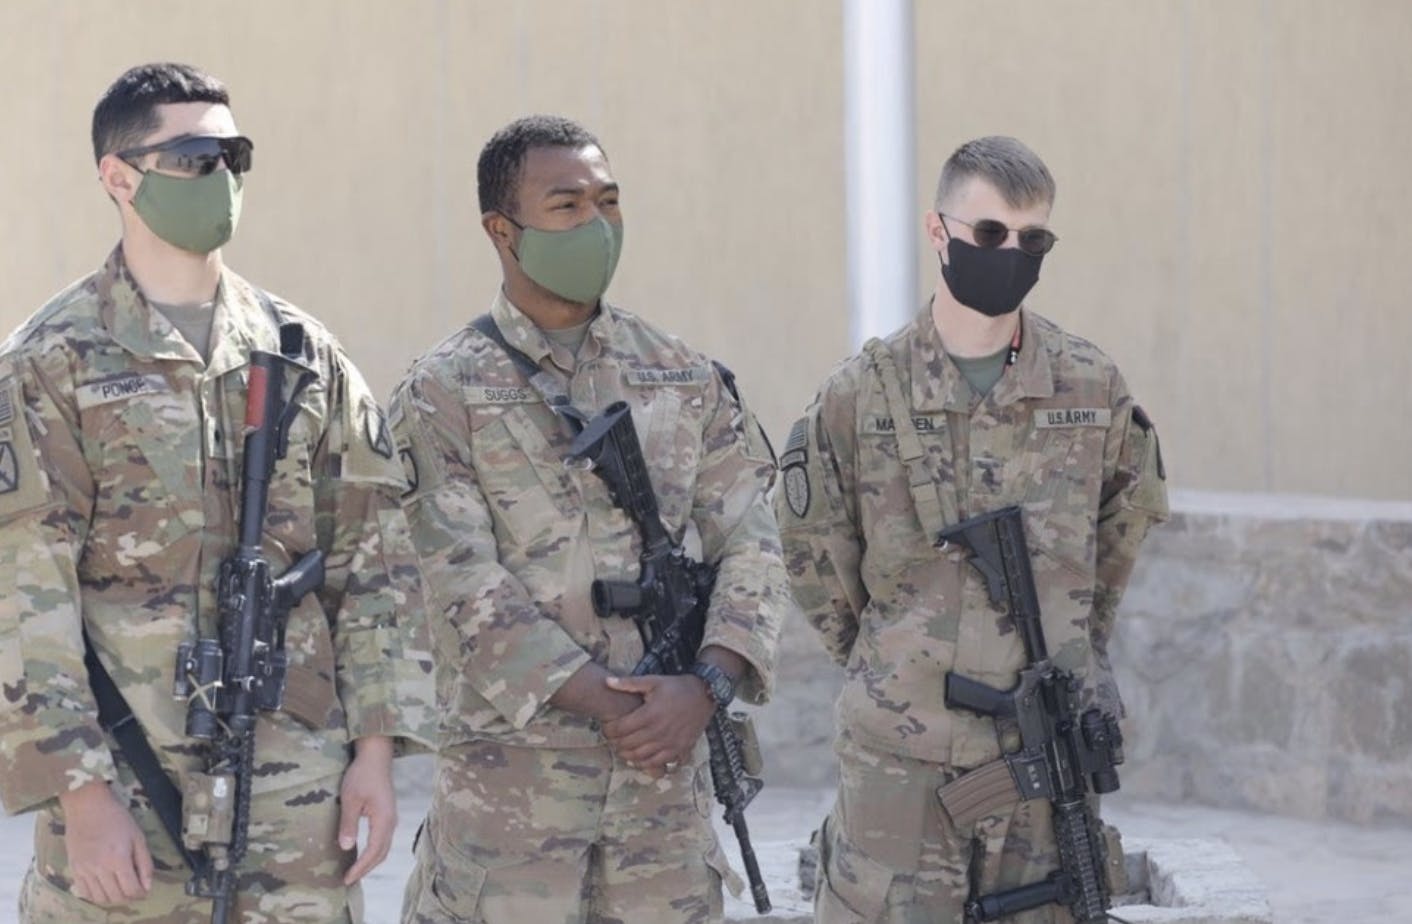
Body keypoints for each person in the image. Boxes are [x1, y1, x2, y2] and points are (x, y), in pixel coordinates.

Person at [0, 62, 435, 923]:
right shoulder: (50, 363)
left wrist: (376, 753)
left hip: (298, 800)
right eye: (196, 158)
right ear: (119, 177)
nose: (224, 177)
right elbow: (22, 594)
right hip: (130, 789)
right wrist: (80, 796)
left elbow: (373, 561)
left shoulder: (302, 354)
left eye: (235, 156)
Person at [392, 115, 787, 924]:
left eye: (608, 202)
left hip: (661, 808)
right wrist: (621, 703)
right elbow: (454, 581)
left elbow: (755, 541)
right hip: (512, 811)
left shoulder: (681, 375)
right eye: (567, 206)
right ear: (503, 230)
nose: (597, 224)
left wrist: (708, 685)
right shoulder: (442, 392)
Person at [775, 136, 1169, 923]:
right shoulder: (860, 396)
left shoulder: (1090, 386)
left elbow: (1122, 530)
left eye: (1033, 240)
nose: (1011, 254)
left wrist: (1073, 643)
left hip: (1042, 758)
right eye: (990, 233)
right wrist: (895, 659)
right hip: (900, 763)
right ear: (938, 231)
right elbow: (812, 548)